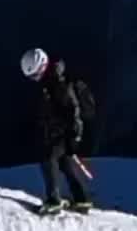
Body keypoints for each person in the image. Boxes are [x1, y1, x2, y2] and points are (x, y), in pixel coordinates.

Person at [20, 47, 94, 212]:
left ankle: (54, 201)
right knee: (64, 163)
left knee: (48, 158)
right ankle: (82, 199)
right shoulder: (53, 78)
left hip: (64, 131)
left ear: (41, 67)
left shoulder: (57, 82)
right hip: (63, 131)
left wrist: (75, 135)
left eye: (34, 75)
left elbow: (72, 109)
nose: (34, 79)